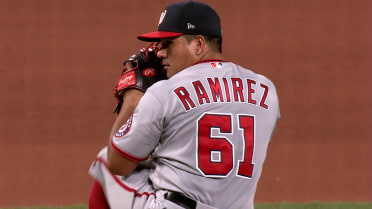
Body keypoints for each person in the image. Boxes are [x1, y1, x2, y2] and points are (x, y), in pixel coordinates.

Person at [88, 1, 280, 209]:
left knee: (104, 161)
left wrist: (133, 99)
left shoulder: (164, 93)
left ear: (198, 44)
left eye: (168, 43)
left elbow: (118, 164)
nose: (160, 53)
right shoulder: (266, 90)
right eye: (159, 45)